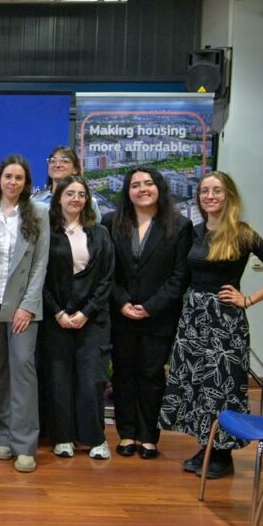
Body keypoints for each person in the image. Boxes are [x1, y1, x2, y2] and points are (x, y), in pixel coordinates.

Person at [160, 171, 263, 479]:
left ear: (228, 195)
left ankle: (223, 454)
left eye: (216, 190)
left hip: (225, 321)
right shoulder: (194, 232)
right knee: (197, 385)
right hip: (194, 318)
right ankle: (207, 445)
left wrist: (249, 299)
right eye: (204, 191)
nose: (210, 196)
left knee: (222, 386)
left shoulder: (242, 233)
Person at [105, 167, 192, 460]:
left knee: (152, 375)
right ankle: (127, 433)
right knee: (123, 374)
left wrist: (151, 307)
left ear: (159, 188)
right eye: (135, 185)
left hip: (159, 316)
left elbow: (180, 276)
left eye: (148, 183)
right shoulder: (111, 222)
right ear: (127, 191)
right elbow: (106, 271)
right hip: (121, 314)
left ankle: (148, 436)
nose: (142, 189)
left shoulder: (179, 226)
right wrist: (122, 302)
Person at [0, 155, 50, 473]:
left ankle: (24, 445)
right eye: (8, 176)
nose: (13, 182)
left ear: (26, 183)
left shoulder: (39, 213)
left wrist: (28, 306)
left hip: (23, 308)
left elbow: (40, 264)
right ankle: (3, 436)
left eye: (19, 178)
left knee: (22, 370)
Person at [42, 175, 115, 460]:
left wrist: (86, 312)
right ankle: (62, 438)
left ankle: (95, 439)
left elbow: (107, 278)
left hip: (92, 319)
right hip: (56, 317)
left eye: (81, 194)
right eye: (70, 194)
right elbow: (40, 278)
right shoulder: (47, 233)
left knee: (91, 379)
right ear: (58, 198)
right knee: (59, 379)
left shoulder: (100, 233)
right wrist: (58, 312)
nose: (76, 199)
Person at [32, 146, 101, 221]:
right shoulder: (34, 201)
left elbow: (95, 227)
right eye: (53, 161)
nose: (57, 165)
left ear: (75, 169)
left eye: (64, 161)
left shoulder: (88, 202)